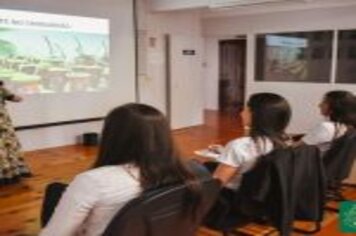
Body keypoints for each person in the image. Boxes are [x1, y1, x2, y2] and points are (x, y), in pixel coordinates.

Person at [40, 103, 202, 236]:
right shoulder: (186, 172)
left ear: (112, 136)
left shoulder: (93, 181)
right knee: (56, 190)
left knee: (55, 192)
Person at [212, 93, 292, 191]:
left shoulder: (239, 146)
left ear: (255, 115)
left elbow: (215, 185)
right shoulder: (287, 142)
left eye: (246, 110)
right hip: (266, 198)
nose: (241, 113)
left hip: (234, 198)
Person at [299, 90, 355, 155]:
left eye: (324, 102)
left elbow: (296, 147)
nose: (319, 105)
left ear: (335, 107)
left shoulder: (326, 127)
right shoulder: (346, 127)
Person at [0, 81, 31, 185]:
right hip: (3, 125)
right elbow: (18, 99)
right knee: (5, 148)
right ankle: (7, 174)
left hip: (3, 125)